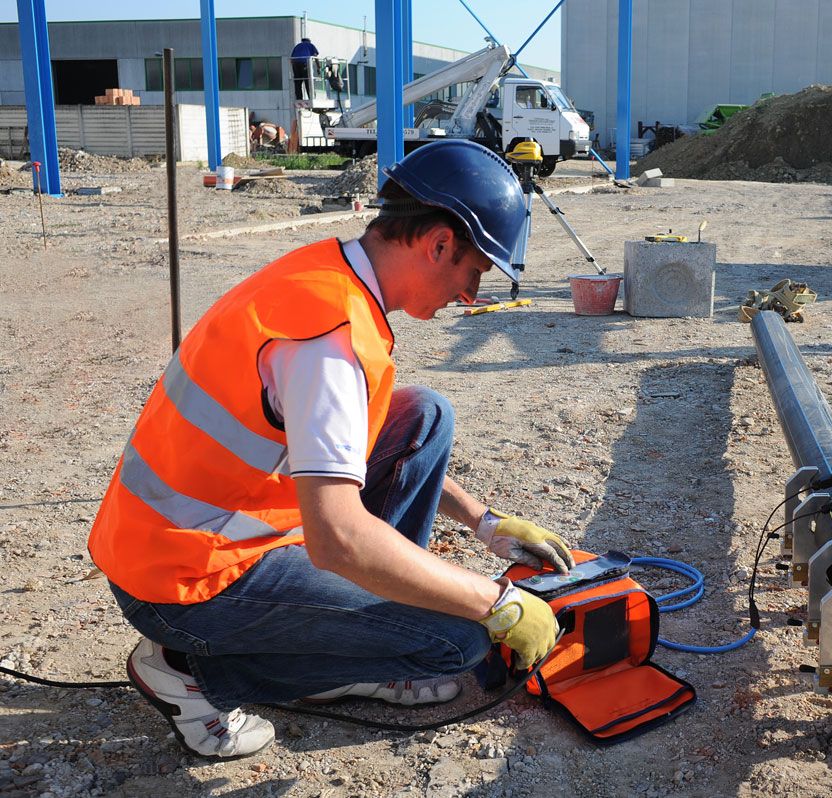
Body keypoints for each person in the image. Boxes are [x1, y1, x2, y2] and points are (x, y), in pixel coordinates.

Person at [88, 139, 573, 759]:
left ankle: (348, 633)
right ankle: (190, 673)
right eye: (474, 273)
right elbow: (338, 539)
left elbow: (344, 445)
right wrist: (497, 602)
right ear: (440, 243)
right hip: (185, 581)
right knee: (455, 643)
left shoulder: (327, 274)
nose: (471, 295)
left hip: (187, 535)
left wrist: (485, 522)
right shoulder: (328, 342)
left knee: (423, 416)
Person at [290, 37, 319, 102]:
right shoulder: (310, 45)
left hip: (295, 64)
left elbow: (291, 59)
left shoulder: (297, 46)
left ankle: (299, 98)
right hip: (304, 63)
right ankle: (311, 98)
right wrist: (318, 67)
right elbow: (315, 56)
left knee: (297, 82)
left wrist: (294, 68)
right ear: (309, 41)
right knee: (308, 81)